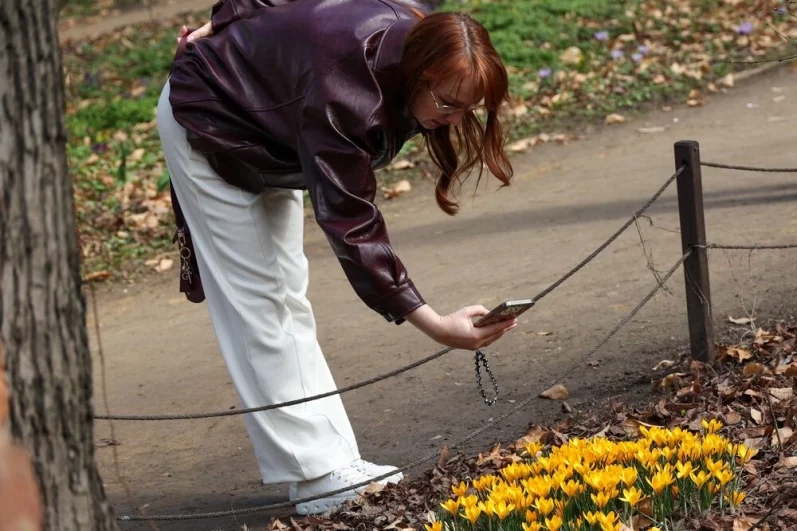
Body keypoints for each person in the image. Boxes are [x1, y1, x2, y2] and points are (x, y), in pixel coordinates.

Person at [156, 0, 517, 515]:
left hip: (275, 113)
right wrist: (435, 324)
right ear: (417, 70)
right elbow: (352, 223)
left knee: (285, 288)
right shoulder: (345, 90)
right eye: (447, 102)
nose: (453, 120)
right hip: (212, 115)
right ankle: (318, 477)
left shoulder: (413, 17)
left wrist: (235, 11)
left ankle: (332, 462)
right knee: (259, 298)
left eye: (468, 108)